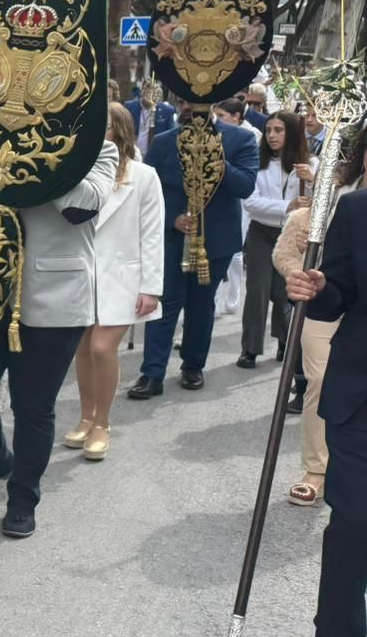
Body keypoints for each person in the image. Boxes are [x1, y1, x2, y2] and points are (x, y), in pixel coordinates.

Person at [0, 140, 118, 536]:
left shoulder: (98, 150)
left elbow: (82, 207)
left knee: (33, 407)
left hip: (54, 303)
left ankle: (23, 497)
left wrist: (43, 157)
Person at [283, 186, 367, 637]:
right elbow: (339, 294)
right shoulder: (358, 210)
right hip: (362, 390)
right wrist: (316, 288)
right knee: (354, 520)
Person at [127, 105, 259, 399]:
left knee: (201, 306)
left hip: (215, 241)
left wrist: (216, 159)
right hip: (173, 239)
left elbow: (246, 186)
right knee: (165, 304)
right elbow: (149, 192)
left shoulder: (240, 139)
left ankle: (193, 365)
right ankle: (152, 373)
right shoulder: (164, 141)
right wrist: (172, 217)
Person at [64, 104, 163, 460]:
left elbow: (152, 234)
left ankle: (103, 422)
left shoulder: (144, 175)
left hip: (124, 277)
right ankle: (86, 416)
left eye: (102, 127)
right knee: (82, 348)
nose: (95, 134)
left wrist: (151, 288)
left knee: (102, 349)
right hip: (82, 274)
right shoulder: (76, 172)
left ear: (119, 132)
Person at [275, 128, 364, 505]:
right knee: (319, 379)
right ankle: (315, 466)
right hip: (349, 349)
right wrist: (315, 284)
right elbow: (337, 287)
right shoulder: (347, 200)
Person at [237, 111, 314, 369]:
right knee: (257, 290)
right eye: (268, 130)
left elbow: (322, 202)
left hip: (292, 235)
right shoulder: (257, 163)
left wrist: (312, 183)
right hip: (262, 232)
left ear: (291, 133)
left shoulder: (308, 164)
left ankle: (284, 340)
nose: (271, 135)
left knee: (284, 292)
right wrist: (287, 206)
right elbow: (251, 202)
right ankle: (250, 348)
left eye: (278, 130)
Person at [124, 87, 176, 153]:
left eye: (154, 94)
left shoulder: (167, 110)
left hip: (155, 154)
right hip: (131, 152)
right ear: (142, 92)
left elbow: (171, 135)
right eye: (148, 93)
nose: (151, 96)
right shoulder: (129, 106)